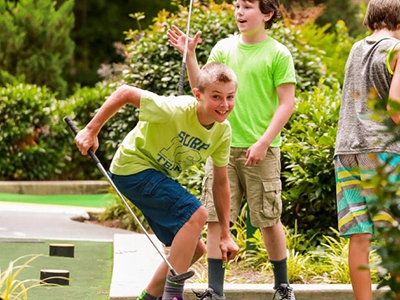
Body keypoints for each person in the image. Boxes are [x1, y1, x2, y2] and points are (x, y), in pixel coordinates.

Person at [74, 62, 240, 300]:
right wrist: (91, 130)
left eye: (230, 97)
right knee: (197, 214)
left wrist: (225, 233)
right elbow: (125, 93)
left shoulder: (223, 131)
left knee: (196, 249)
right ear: (198, 94)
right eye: (216, 97)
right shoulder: (174, 109)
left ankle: (149, 297)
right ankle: (173, 295)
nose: (224, 105)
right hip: (133, 167)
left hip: (155, 175)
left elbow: (221, 182)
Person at [167, 0, 296, 299]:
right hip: (220, 149)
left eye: (248, 6)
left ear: (267, 13)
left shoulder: (278, 53)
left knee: (268, 218)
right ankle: (215, 292)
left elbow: (286, 104)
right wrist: (190, 56)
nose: (239, 12)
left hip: (262, 150)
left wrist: (263, 142)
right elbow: (202, 89)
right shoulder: (223, 49)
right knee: (214, 217)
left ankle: (283, 287)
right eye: (237, 5)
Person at [334, 0, 400, 299]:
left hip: (347, 149)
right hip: (383, 153)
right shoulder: (396, 50)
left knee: (359, 235)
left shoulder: (355, 49)